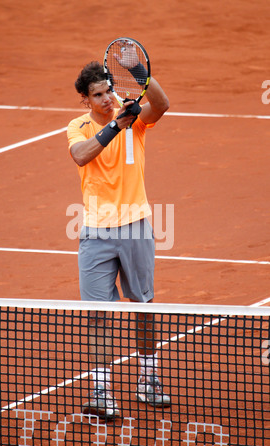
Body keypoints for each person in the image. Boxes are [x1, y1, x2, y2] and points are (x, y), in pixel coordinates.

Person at [67, 49, 170, 419]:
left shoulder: (137, 118)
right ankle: (101, 390)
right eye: (97, 94)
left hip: (136, 226)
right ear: (85, 99)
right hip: (96, 233)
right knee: (97, 315)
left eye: (108, 90)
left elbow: (162, 103)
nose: (107, 97)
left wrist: (138, 71)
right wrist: (116, 125)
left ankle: (148, 379)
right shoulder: (78, 126)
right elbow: (81, 156)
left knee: (143, 307)